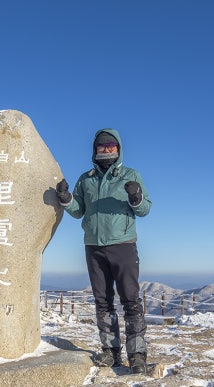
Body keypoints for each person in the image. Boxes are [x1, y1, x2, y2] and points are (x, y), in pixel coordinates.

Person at [56, 128, 152, 374]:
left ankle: (137, 354)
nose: (107, 150)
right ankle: (110, 352)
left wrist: (136, 197)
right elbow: (78, 210)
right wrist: (66, 198)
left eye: (112, 147)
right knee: (103, 301)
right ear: (95, 150)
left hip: (123, 245)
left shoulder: (130, 175)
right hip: (93, 246)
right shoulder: (86, 179)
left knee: (130, 300)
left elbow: (144, 210)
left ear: (118, 149)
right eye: (102, 147)